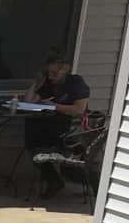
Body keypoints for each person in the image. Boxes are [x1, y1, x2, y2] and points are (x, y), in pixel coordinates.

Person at [23, 52, 91, 195]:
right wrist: (36, 81)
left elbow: (79, 110)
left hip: (71, 131)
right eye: (48, 73)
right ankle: (53, 180)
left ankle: (91, 181)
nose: (51, 77)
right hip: (49, 128)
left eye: (54, 73)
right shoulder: (49, 83)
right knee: (32, 137)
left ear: (65, 70)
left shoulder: (76, 83)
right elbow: (29, 102)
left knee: (39, 141)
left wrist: (54, 106)